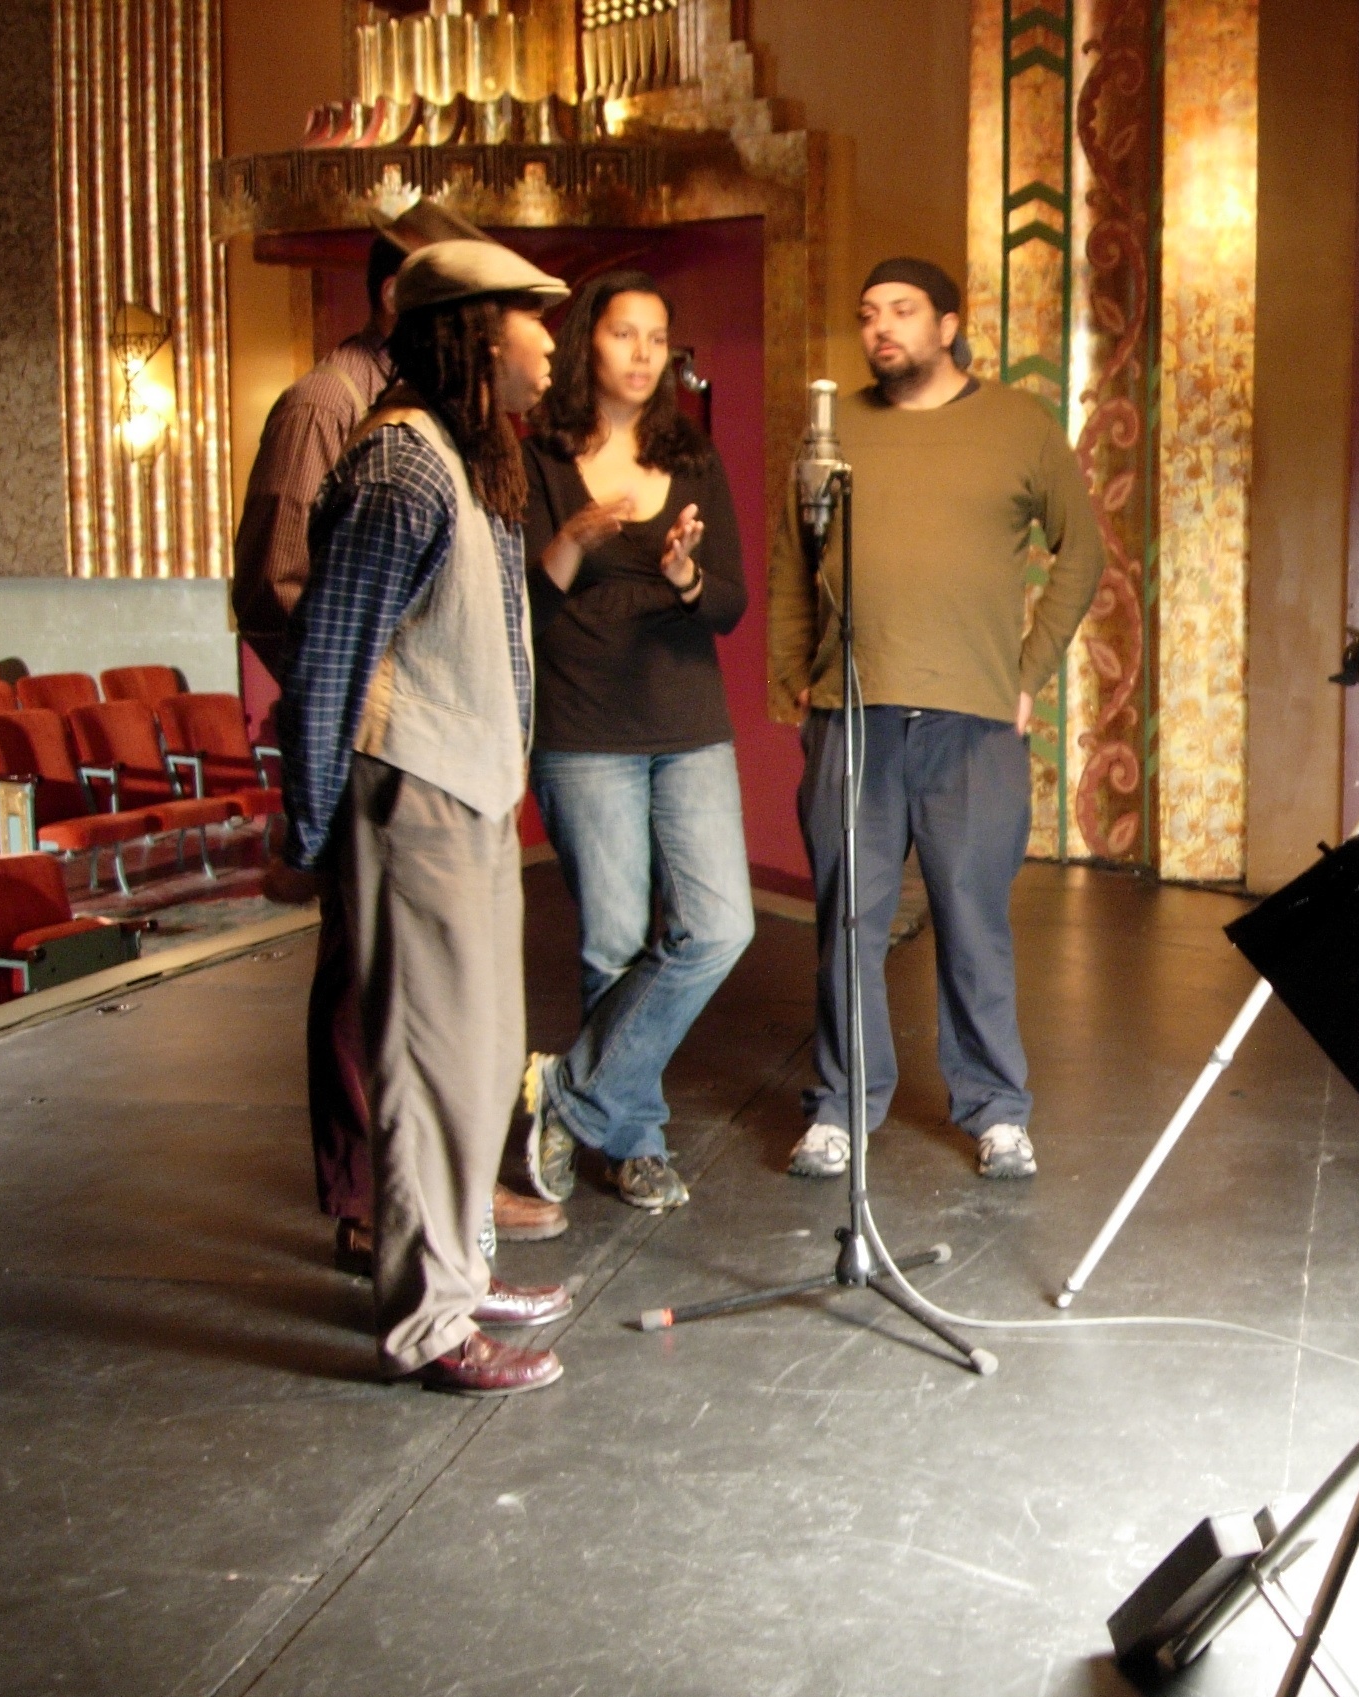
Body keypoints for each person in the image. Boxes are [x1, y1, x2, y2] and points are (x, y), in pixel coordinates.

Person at [233, 208, 568, 1274]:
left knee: (467, 1055)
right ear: (473, 333)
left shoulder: (473, 458)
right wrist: (319, 816)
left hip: (462, 785)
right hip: (405, 783)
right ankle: (425, 1292)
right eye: (530, 317)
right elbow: (322, 641)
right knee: (414, 1054)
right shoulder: (394, 456)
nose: (552, 340)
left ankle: (453, 1265)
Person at [766, 257, 1102, 1182]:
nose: (882, 329)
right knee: (848, 923)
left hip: (974, 725)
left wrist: (1027, 673)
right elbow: (795, 561)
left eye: (903, 312)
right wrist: (795, 679)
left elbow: (1084, 553)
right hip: (852, 717)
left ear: (948, 325)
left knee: (972, 923)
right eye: (870, 313)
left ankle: (996, 1110)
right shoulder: (832, 436)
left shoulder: (1017, 427)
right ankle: (841, 1107)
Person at [505, 271, 753, 1215]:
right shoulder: (537, 459)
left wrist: (686, 574)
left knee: (719, 924)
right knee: (612, 943)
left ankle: (562, 1098)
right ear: (587, 348)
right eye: (624, 334)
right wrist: (574, 532)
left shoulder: (692, 456)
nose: (644, 353)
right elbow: (526, 596)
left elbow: (729, 602)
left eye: (658, 336)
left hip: (688, 723)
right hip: (585, 726)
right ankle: (636, 1139)